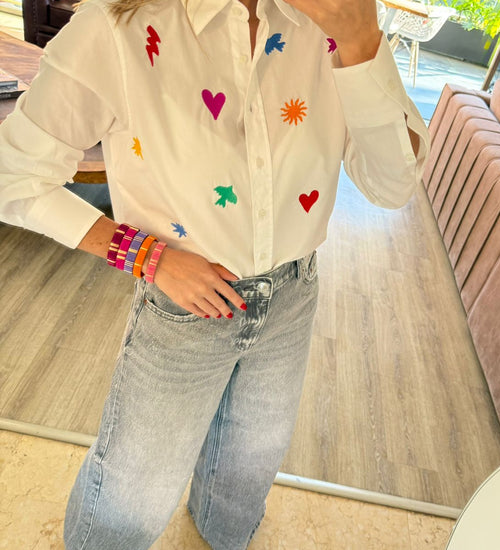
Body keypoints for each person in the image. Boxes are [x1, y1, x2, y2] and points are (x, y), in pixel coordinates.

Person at [0, 0, 429, 547]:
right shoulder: (117, 28)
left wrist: (362, 44)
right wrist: (144, 255)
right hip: (184, 311)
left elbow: (392, 186)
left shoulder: (331, 23)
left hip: (294, 294)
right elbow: (14, 177)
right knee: (129, 499)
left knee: (243, 481)